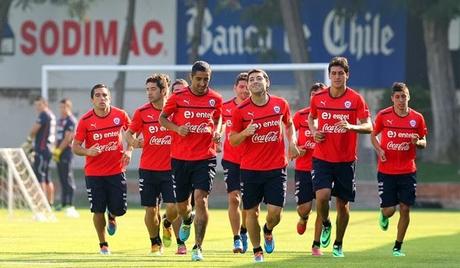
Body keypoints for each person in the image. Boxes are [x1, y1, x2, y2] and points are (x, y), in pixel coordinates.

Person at [229, 69, 300, 263]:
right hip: (250, 169)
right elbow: (233, 140)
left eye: (258, 78)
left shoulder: (280, 104)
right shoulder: (240, 110)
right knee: (251, 212)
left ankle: (268, 230)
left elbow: (289, 124)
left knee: (275, 213)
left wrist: (292, 142)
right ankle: (257, 250)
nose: (254, 82)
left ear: (267, 82)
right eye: (251, 79)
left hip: (276, 168)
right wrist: (245, 133)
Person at [308, 56, 372, 257]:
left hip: (345, 160)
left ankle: (338, 243)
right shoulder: (318, 98)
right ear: (329, 76)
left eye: (340, 73)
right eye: (333, 73)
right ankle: (326, 223)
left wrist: (351, 126)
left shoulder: (356, 99)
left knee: (343, 205)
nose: (336, 77)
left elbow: (369, 125)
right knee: (322, 196)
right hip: (322, 158)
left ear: (347, 75)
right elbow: (312, 117)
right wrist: (314, 131)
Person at [159, 60, 223, 261]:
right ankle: (186, 219)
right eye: (199, 79)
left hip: (205, 157)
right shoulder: (177, 97)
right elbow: (162, 118)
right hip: (180, 158)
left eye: (206, 79)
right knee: (182, 206)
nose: (203, 83)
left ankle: (198, 247)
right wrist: (177, 129)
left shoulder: (215, 98)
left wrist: (218, 132)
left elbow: (219, 118)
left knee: (201, 200)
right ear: (191, 78)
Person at [72, 84, 132, 255]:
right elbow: (75, 147)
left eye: (104, 95)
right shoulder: (85, 121)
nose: (101, 98)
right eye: (97, 95)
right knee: (97, 210)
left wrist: (128, 150)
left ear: (109, 98)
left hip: (117, 171)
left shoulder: (120, 115)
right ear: (92, 99)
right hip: (94, 174)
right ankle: (103, 244)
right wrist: (87, 151)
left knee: (120, 209)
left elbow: (131, 134)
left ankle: (112, 214)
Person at [126, 74, 181, 255]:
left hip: (172, 168)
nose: (149, 93)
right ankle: (154, 242)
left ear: (164, 91)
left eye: (153, 89)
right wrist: (133, 143)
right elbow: (129, 133)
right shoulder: (142, 112)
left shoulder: (175, 111)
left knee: (174, 207)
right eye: (147, 89)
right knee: (151, 210)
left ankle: (167, 223)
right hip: (148, 169)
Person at [370, 82, 427, 257]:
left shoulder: (417, 118)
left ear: (408, 97)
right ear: (392, 99)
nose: (401, 100)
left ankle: (397, 247)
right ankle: (384, 215)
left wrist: (417, 142)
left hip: (408, 171)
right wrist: (379, 150)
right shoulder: (383, 115)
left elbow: (424, 141)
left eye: (404, 96)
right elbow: (373, 135)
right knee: (389, 210)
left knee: (405, 208)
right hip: (386, 171)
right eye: (397, 97)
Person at [292, 82, 326, 256]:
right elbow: (291, 138)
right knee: (304, 207)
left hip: (323, 167)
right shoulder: (300, 116)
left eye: (319, 94)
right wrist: (296, 149)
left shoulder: (329, 116)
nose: (316, 97)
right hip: (303, 168)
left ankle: (316, 244)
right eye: (313, 94)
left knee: (322, 204)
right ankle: (304, 217)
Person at [221, 72, 250, 253]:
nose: (245, 90)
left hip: (252, 161)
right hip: (231, 160)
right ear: (235, 88)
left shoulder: (256, 107)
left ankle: (245, 230)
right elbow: (219, 124)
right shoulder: (225, 108)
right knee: (234, 199)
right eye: (241, 87)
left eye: (247, 87)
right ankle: (236, 238)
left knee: (249, 202)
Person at [25, 96, 56, 207]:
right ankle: (50, 202)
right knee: (47, 177)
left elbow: (35, 129)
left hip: (42, 150)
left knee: (40, 176)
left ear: (45, 104)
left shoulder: (44, 114)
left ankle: (41, 204)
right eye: (36, 105)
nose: (37, 108)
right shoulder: (52, 115)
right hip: (49, 149)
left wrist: (29, 140)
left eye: (39, 105)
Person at [53, 98, 79, 218]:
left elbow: (68, 137)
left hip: (66, 152)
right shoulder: (60, 121)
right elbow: (57, 137)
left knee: (68, 178)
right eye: (60, 107)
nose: (62, 109)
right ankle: (63, 204)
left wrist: (59, 150)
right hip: (58, 152)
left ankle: (70, 204)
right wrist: (55, 150)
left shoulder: (71, 120)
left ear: (69, 107)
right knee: (62, 179)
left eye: (64, 107)